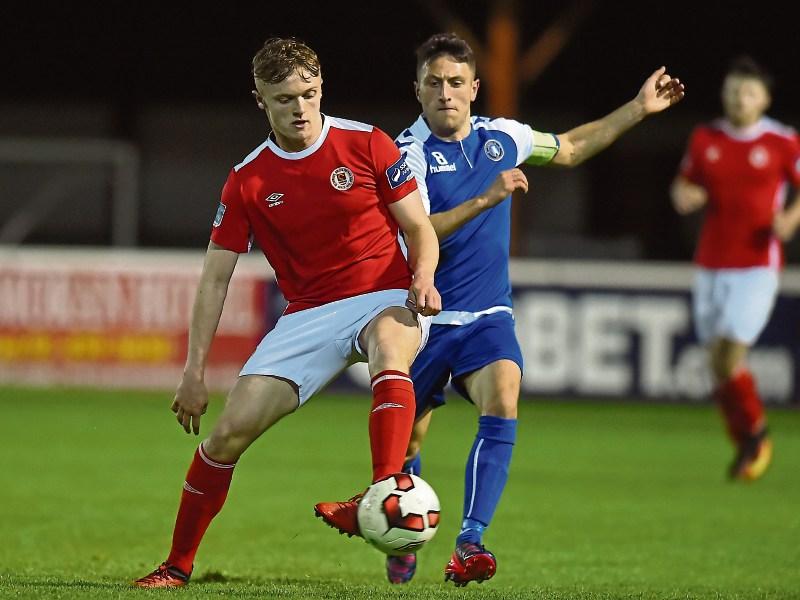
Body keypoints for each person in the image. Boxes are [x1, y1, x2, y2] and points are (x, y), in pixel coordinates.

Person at [133, 37, 441, 588]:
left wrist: (422, 277)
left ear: (321, 89)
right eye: (284, 99)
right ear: (261, 102)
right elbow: (215, 278)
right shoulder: (248, 180)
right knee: (225, 437)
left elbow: (419, 228)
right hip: (308, 316)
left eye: (309, 94)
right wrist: (193, 371)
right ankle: (176, 567)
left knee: (391, 352)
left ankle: (380, 490)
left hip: (386, 292)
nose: (300, 109)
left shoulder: (366, 143)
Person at [380, 33, 684, 586]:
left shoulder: (504, 137)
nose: (445, 93)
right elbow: (416, 234)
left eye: (455, 83)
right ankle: (403, 534)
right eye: (433, 83)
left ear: (474, 88)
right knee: (408, 443)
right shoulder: (407, 156)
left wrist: (638, 108)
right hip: (420, 320)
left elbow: (569, 148)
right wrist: (485, 200)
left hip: (487, 315)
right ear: (417, 90)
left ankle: (470, 542)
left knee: (505, 392)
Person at [671, 56, 800, 482]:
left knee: (729, 354)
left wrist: (791, 218)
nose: (738, 99)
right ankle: (745, 439)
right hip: (710, 263)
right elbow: (684, 182)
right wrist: (683, 195)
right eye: (732, 90)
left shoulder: (783, 141)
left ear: (764, 98)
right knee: (717, 364)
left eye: (747, 92)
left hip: (756, 266)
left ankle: (755, 435)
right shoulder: (706, 137)